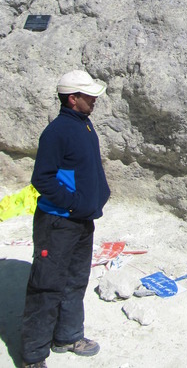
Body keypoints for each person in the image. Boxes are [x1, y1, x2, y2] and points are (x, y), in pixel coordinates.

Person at [21, 70, 111, 368]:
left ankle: (68, 336)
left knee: (75, 280)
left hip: (81, 222)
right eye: (89, 96)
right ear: (73, 99)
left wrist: (99, 195)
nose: (95, 100)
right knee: (46, 287)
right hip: (58, 224)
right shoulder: (57, 131)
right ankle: (34, 356)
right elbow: (42, 179)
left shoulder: (84, 125)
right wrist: (73, 205)